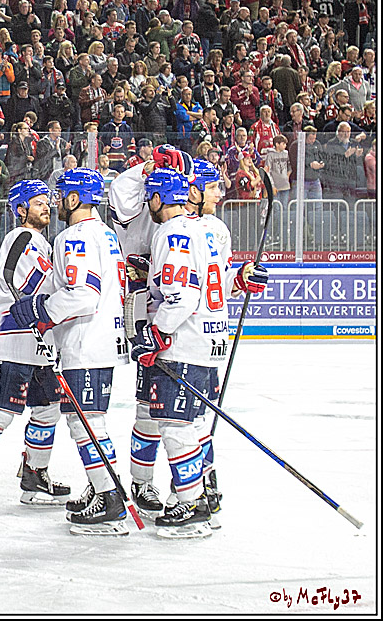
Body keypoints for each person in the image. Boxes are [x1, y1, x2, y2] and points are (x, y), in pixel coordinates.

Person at [132, 167, 264, 536]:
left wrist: (156, 332)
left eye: (149, 198)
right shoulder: (202, 230)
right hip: (210, 342)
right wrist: (239, 280)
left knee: (176, 427)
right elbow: (210, 282)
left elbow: (184, 295)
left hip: (184, 343)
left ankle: (189, 505)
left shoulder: (171, 232)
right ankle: (201, 496)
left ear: (158, 199)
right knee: (194, 426)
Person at [6, 168, 130, 535]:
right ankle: (102, 488)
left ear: (76, 199)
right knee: (91, 421)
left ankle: (110, 500)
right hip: (105, 341)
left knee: (85, 423)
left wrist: (41, 310)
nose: (58, 202)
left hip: (84, 343)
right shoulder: (106, 234)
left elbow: (83, 293)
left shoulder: (74, 236)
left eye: (62, 195)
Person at [0, 179, 71, 515]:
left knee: (48, 409)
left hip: (39, 343)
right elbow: (16, 279)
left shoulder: (43, 242)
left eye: (46, 202)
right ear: (21, 209)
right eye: (38, 202)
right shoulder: (21, 237)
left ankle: (35, 475)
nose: (46, 207)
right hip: (12, 339)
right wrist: (54, 300)